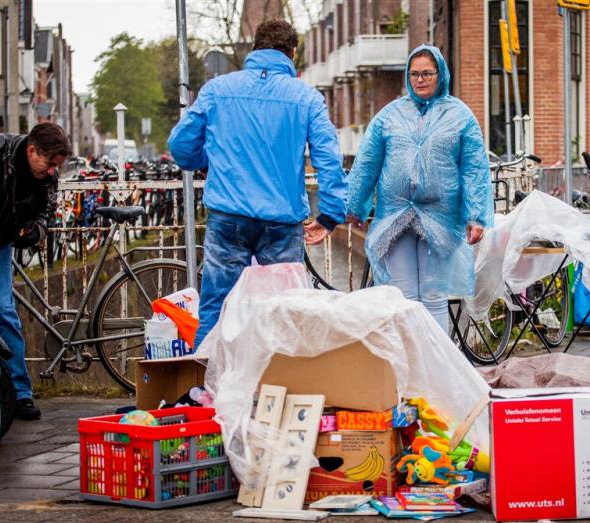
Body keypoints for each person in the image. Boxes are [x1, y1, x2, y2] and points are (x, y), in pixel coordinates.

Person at [168, 20, 348, 349]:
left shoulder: (217, 90)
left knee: (216, 306)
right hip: (281, 220)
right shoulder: (306, 97)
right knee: (285, 310)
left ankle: (208, 390)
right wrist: (330, 215)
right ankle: (279, 391)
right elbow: (328, 158)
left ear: (255, 49)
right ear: (292, 54)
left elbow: (180, 146)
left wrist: (206, 163)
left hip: (228, 215)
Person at [346, 44, 493, 333]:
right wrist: (354, 205)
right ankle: (410, 365)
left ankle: (436, 366)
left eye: (427, 73)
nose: (420, 79)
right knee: (403, 297)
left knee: (434, 297)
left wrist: (476, 215)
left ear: (441, 74)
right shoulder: (389, 116)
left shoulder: (460, 116)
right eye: (414, 74)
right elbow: (367, 163)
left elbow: (474, 168)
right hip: (395, 216)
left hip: (441, 216)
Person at [0, 123, 71, 420]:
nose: (51, 171)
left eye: (57, 166)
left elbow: (48, 208)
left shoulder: (47, 175)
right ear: (32, 151)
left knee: (3, 311)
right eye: (49, 163)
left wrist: (37, 230)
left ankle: (18, 393)